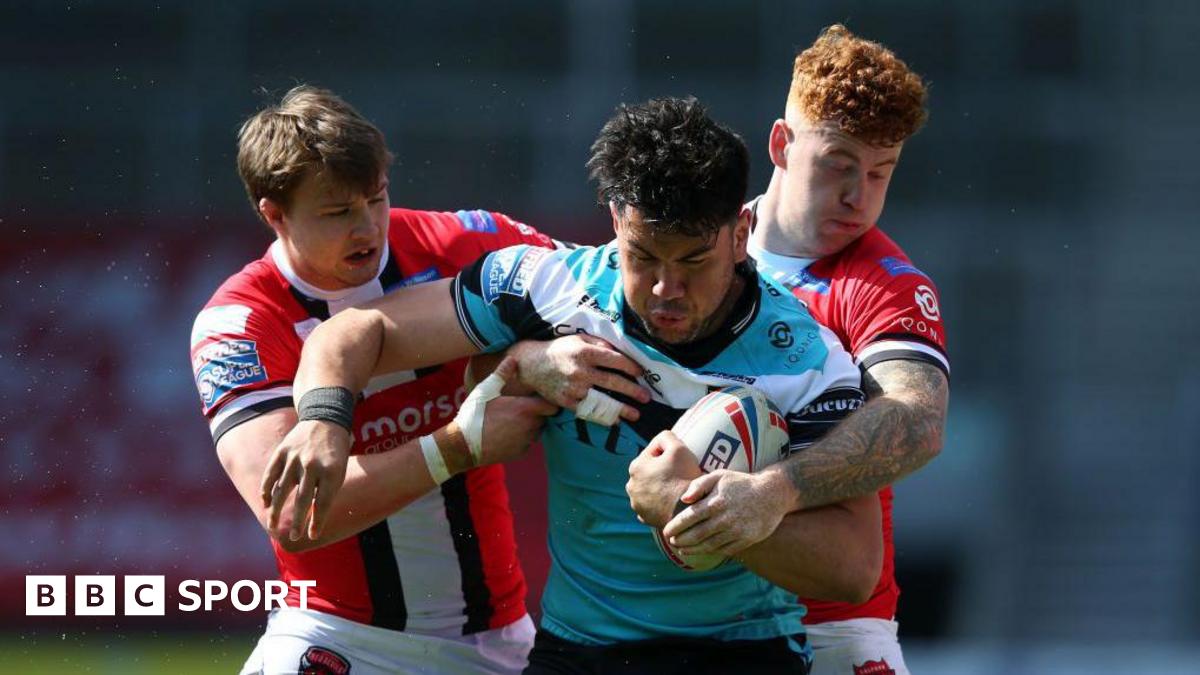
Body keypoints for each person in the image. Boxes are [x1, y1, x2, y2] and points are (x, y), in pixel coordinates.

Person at [262, 96, 883, 674]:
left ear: (741, 235)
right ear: (615, 221)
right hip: (575, 653)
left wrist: (707, 511)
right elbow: (354, 331)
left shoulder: (806, 361)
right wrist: (323, 418)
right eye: (643, 257)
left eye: (693, 261)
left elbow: (854, 568)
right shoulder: (550, 288)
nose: (666, 289)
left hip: (746, 651)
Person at [188, 85, 644, 674]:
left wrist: (533, 355)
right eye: (336, 213)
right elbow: (295, 517)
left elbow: (607, 299)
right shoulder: (239, 324)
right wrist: (456, 446)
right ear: (273, 213)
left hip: (500, 643)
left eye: (375, 199)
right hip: (338, 637)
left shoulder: (462, 244)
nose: (366, 229)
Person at [626, 25, 949, 675]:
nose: (859, 196)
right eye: (839, 166)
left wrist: (773, 493)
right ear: (782, 144)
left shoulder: (882, 285)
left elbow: (919, 420)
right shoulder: (698, 251)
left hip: (830, 637)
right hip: (685, 631)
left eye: (880, 172)